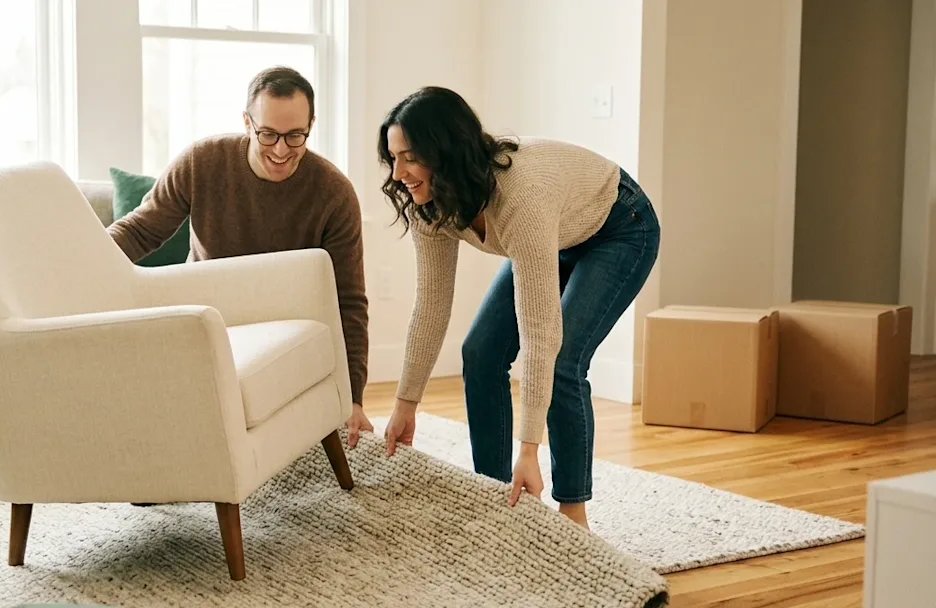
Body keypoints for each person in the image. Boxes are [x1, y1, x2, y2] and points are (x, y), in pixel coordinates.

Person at [378, 86, 660, 530]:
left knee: (564, 359)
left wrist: (529, 450)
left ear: (446, 152)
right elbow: (431, 306)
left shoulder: (520, 197)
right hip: (557, 233)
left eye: (410, 157)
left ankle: (573, 516)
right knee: (480, 352)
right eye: (393, 158)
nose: (399, 173)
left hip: (620, 228)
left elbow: (540, 333)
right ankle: (494, 499)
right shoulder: (428, 205)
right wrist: (405, 403)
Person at [108, 66, 373, 446]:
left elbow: (348, 301)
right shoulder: (202, 162)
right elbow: (139, 230)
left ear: (311, 125)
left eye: (295, 135)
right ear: (247, 123)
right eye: (268, 134)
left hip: (285, 334)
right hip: (203, 323)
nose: (281, 150)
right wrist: (88, 264)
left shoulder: (334, 193)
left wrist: (353, 396)